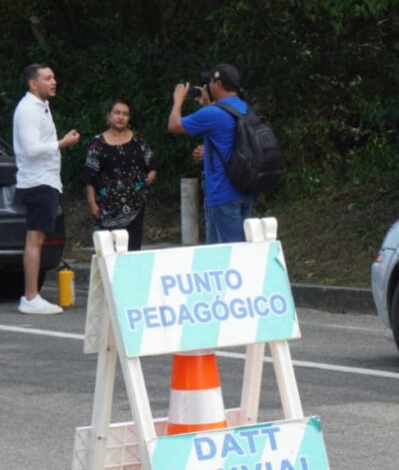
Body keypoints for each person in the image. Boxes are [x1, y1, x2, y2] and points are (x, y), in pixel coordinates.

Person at [12, 63, 79, 315]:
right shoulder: (29, 109)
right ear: (33, 84)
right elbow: (30, 149)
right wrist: (62, 143)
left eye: (54, 77)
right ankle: (31, 296)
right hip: (37, 181)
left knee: (37, 238)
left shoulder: (41, 107)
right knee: (35, 238)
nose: (53, 81)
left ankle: (31, 296)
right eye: (47, 78)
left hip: (45, 180)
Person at [167, 63, 253, 243]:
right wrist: (207, 104)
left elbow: (174, 125)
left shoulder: (213, 113)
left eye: (211, 81)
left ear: (218, 84)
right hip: (246, 188)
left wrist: (178, 100)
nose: (208, 85)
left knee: (228, 252)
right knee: (241, 247)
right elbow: (229, 139)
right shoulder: (244, 108)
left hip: (223, 192)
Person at [83, 99, 160, 251]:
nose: (121, 117)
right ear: (109, 116)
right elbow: (90, 175)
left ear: (129, 118)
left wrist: (146, 182)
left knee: (132, 249)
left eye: (125, 114)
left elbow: (152, 164)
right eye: (117, 113)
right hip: (106, 208)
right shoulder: (97, 144)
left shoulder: (138, 140)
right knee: (109, 251)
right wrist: (92, 202)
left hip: (135, 206)